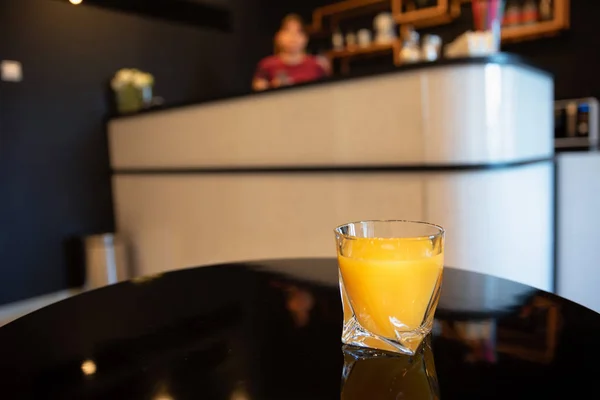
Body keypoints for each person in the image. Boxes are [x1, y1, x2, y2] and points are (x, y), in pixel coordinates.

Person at [252, 14, 330, 91]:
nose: (293, 36)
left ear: (305, 38)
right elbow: (258, 95)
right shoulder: (266, 65)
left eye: (298, 31)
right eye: (287, 30)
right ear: (278, 36)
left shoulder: (317, 65)